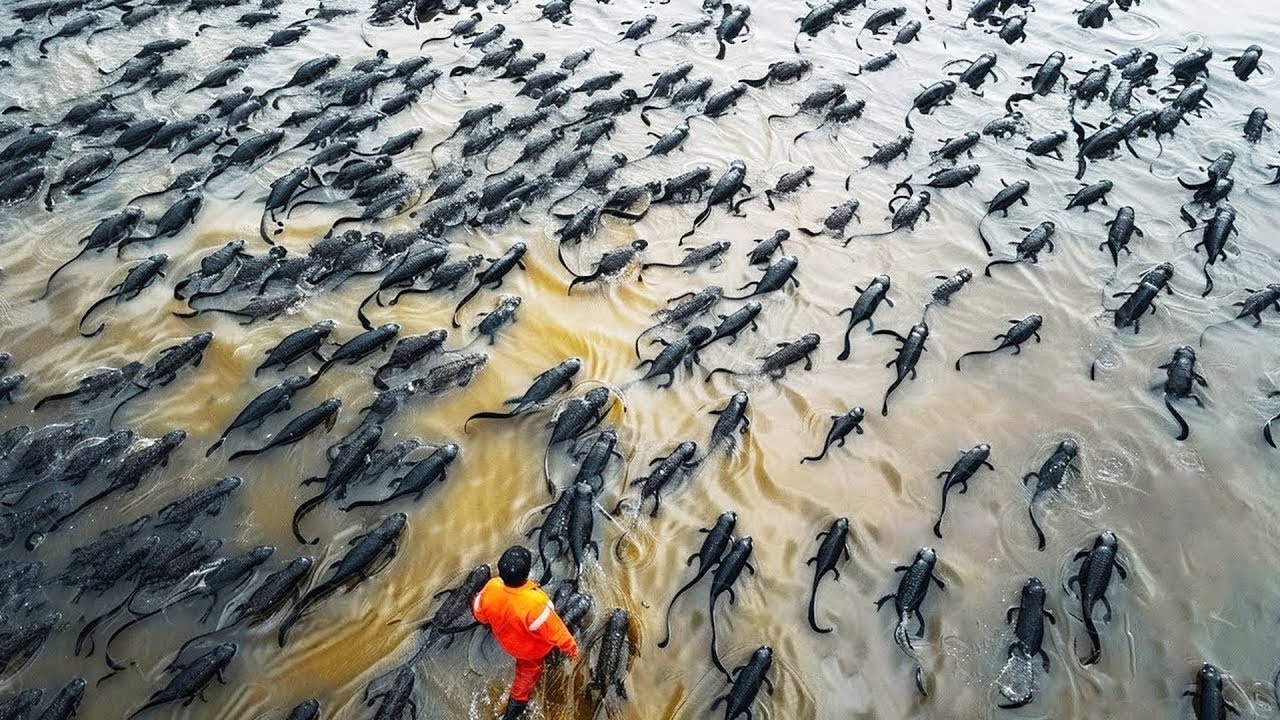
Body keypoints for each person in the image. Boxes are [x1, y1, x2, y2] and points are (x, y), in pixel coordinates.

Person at [472, 545, 579, 720]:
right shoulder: (535, 602)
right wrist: (574, 650)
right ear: (527, 573)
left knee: (523, 670)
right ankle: (512, 714)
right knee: (525, 679)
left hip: (507, 642)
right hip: (531, 652)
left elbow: (479, 613)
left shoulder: (491, 587)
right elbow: (557, 632)